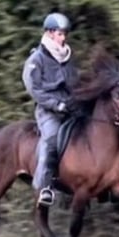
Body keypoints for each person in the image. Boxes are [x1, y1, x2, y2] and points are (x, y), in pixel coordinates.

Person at [22, 12, 80, 206]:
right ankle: (45, 187)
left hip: (70, 109)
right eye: (60, 34)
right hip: (48, 112)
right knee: (52, 139)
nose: (63, 38)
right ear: (49, 33)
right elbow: (35, 89)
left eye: (65, 34)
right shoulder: (36, 59)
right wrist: (56, 104)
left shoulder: (68, 59)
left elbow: (75, 85)